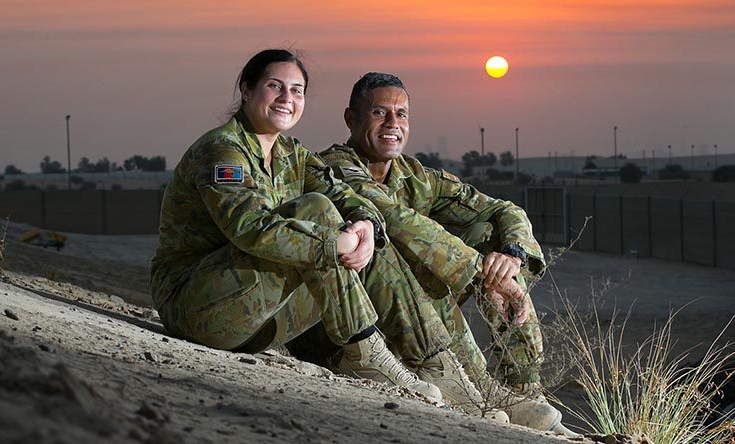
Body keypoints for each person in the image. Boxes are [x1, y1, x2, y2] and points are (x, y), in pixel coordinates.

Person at [150, 50, 487, 407]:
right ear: (247, 90)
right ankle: (365, 353)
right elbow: (250, 228)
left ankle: (436, 365)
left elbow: (342, 192)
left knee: (367, 232)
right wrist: (334, 242)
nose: (287, 99)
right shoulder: (222, 151)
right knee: (317, 212)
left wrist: (366, 225)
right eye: (275, 87)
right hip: (198, 309)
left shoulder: (292, 153)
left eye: (297, 91)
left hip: (259, 321)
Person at [317, 72, 577, 435]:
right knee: (390, 240)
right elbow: (394, 217)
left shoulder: (416, 176)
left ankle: (521, 389)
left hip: (415, 313)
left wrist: (512, 256)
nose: (393, 124)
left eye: (402, 114)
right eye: (379, 113)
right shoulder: (333, 167)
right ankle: (467, 381)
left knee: (489, 236)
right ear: (351, 119)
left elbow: (503, 210)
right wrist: (477, 272)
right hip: (354, 322)